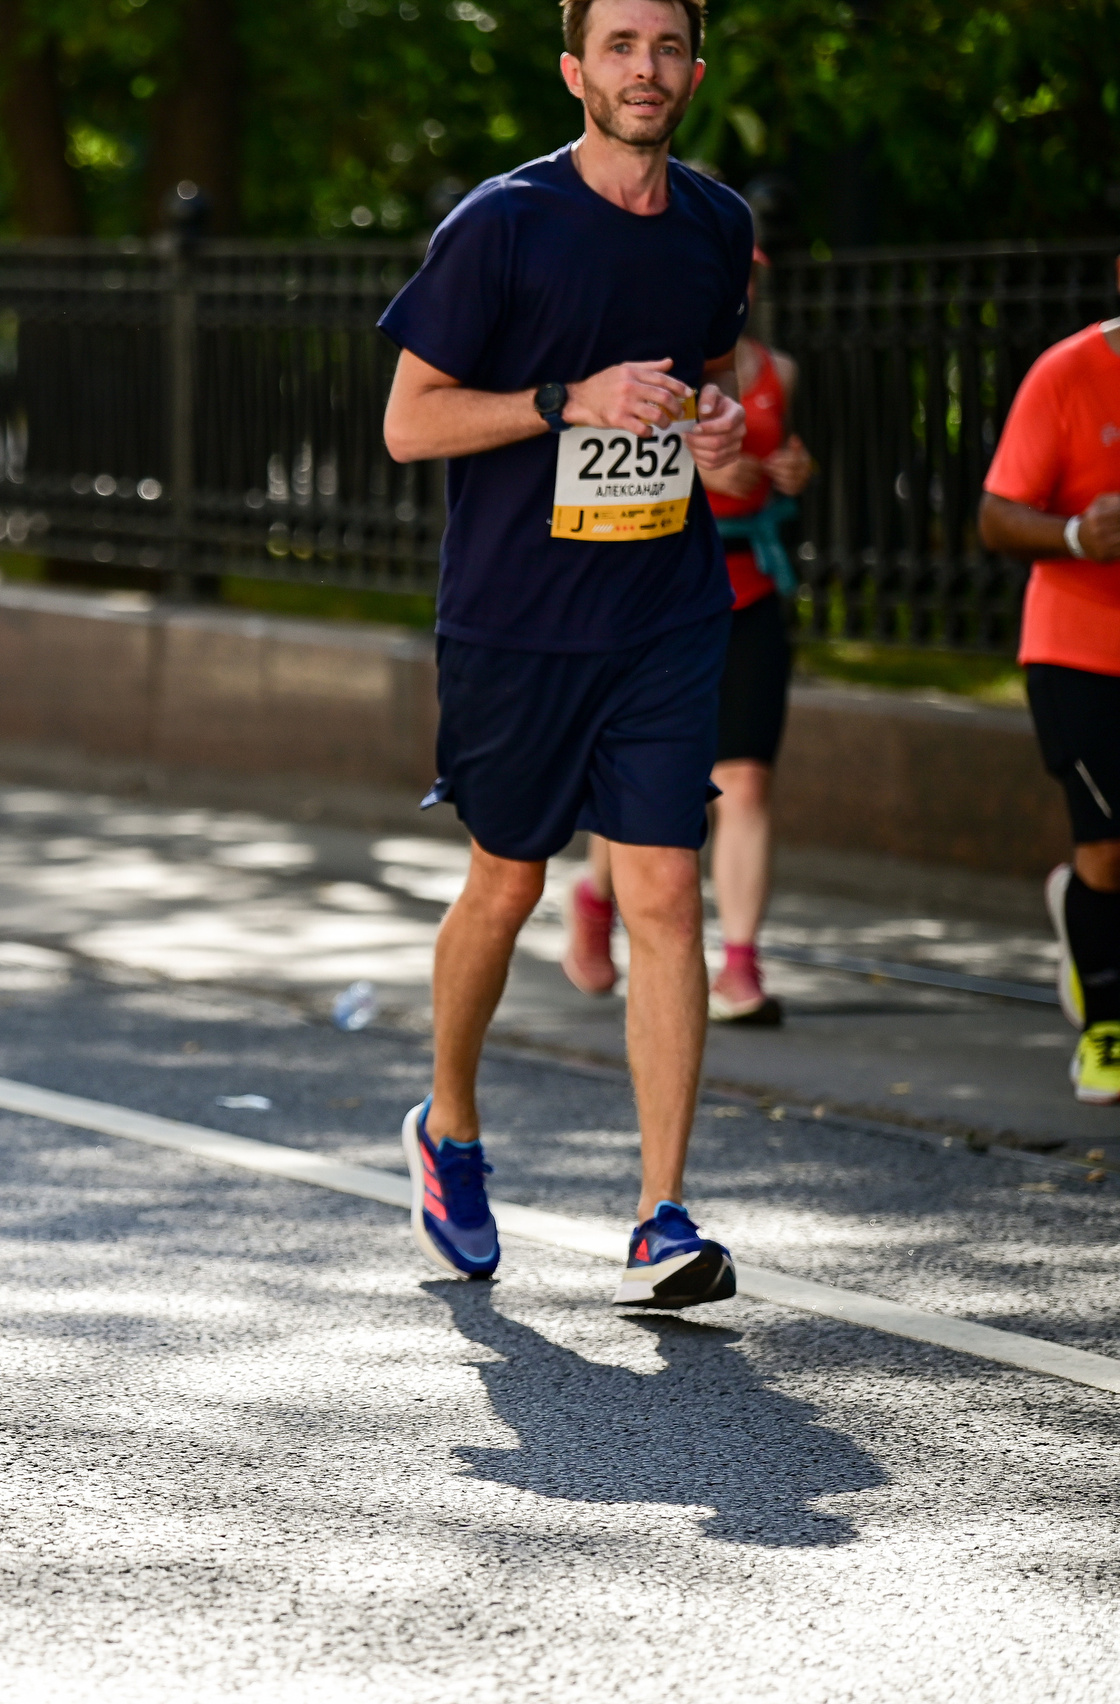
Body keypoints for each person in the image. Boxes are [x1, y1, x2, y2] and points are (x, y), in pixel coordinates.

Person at [378, 0, 752, 1308]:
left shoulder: (717, 225)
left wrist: (717, 430)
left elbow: (719, 372)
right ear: (574, 69)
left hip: (664, 608)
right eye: (619, 47)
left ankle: (661, 1213)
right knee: (509, 883)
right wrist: (563, 401)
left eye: (666, 49)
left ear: (693, 70)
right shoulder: (503, 226)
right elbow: (408, 425)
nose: (644, 71)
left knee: (660, 890)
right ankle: (451, 1128)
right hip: (516, 621)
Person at [565, 248, 816, 1024]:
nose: (735, 290)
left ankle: (739, 963)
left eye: (747, 278)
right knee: (650, 785)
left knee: (745, 781)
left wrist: (791, 470)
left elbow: (782, 455)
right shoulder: (648, 370)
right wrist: (707, 475)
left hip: (751, 589)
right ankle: (596, 895)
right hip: (659, 597)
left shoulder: (779, 371)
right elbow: (607, 470)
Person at [977, 254, 1120, 1106]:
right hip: (1079, 647)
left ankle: (1085, 921)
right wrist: (1075, 534)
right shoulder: (1068, 374)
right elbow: (996, 515)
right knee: (1109, 842)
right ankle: (1106, 1027)